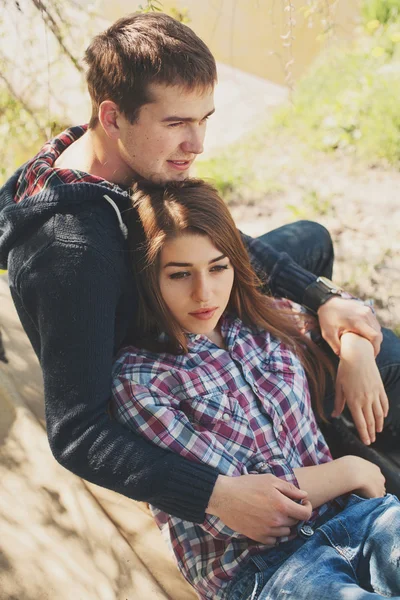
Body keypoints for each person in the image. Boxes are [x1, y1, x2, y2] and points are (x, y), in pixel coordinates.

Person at [0, 12, 398, 545]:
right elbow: (77, 433)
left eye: (203, 118)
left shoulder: (100, 151)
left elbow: (212, 237)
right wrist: (216, 493)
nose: (198, 144)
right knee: (389, 369)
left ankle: (331, 409)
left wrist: (323, 299)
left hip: (191, 300)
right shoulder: (73, 254)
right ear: (113, 116)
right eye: (176, 124)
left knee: (311, 238)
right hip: (174, 363)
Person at [111, 178, 399, 600]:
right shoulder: (140, 381)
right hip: (264, 566)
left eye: (217, 267)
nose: (204, 292)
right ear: (148, 279)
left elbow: (349, 314)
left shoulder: (258, 321)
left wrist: (355, 353)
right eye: (179, 275)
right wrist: (351, 470)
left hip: (358, 515)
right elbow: (246, 510)